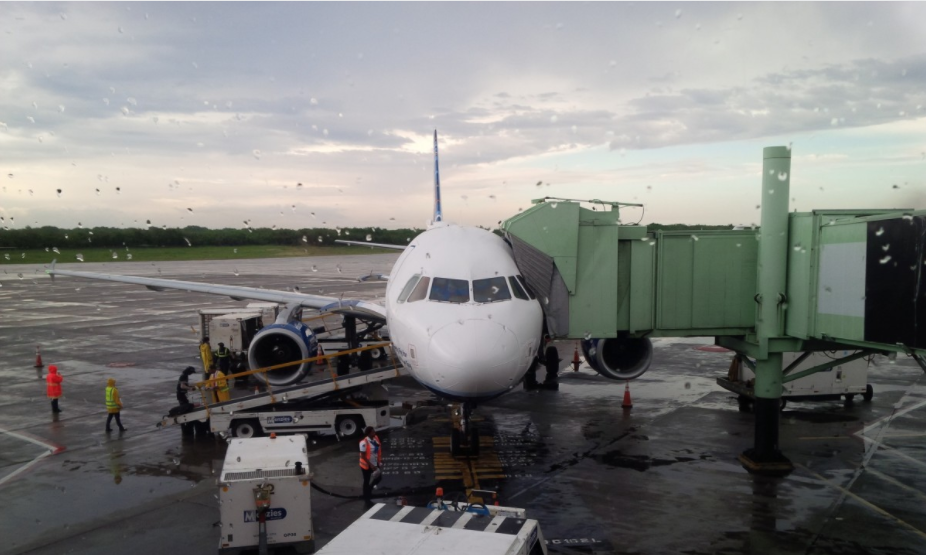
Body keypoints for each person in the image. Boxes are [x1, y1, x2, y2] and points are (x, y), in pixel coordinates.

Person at [358, 426, 383, 504]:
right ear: (368, 433)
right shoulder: (363, 443)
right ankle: (366, 495)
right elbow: (363, 456)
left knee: (379, 477)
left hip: (375, 463)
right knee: (366, 480)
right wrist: (371, 465)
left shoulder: (376, 438)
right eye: (372, 432)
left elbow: (378, 450)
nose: (374, 432)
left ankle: (370, 488)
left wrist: (380, 460)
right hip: (367, 465)